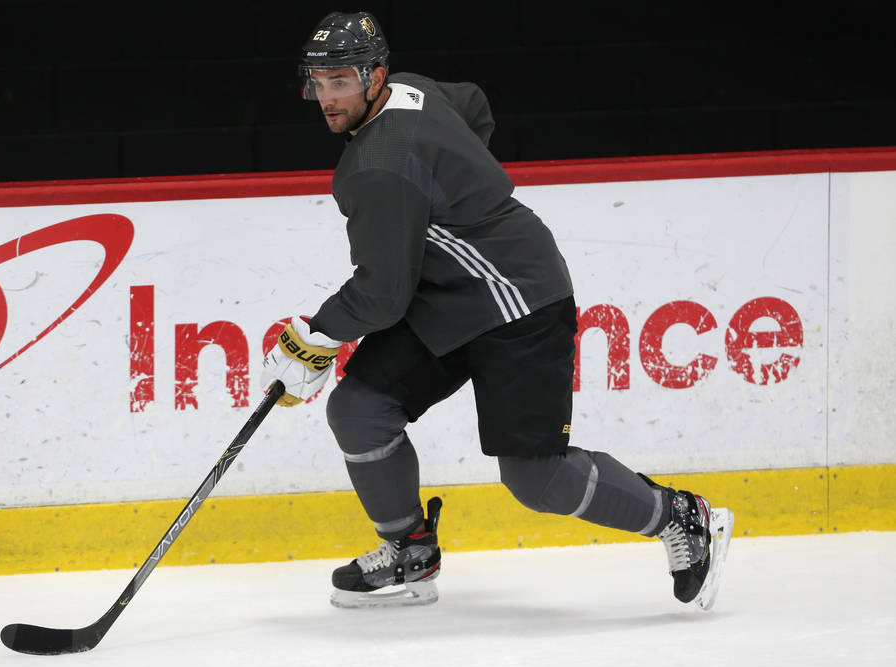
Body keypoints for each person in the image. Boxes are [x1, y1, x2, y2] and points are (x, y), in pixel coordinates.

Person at [261, 11, 734, 610]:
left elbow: (382, 293)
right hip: (449, 297)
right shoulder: (414, 90)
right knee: (360, 410)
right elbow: (476, 107)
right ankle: (410, 548)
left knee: (536, 478)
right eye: (319, 84)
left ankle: (681, 516)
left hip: (521, 298)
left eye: (342, 83)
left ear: (375, 75)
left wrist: (316, 336)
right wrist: (453, 190)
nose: (328, 99)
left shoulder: (376, 169)